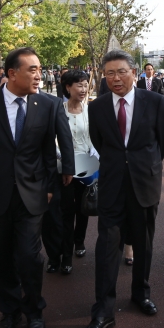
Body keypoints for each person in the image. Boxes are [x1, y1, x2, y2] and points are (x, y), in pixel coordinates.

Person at [0, 47, 74, 328]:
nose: (39, 74)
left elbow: (57, 144)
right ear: (11, 73)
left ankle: (35, 312)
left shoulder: (48, 104)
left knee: (29, 256)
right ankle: (9, 312)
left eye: (40, 69)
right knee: (1, 257)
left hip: (34, 191)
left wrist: (56, 181)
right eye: (32, 69)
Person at [82, 50, 164, 328]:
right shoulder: (97, 108)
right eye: (109, 73)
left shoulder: (155, 101)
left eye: (121, 72)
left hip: (144, 183)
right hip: (111, 185)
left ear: (134, 72)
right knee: (108, 246)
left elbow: (162, 139)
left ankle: (140, 293)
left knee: (144, 243)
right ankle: (103, 310)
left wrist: (144, 166)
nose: (115, 78)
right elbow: (101, 142)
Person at [57, 70, 97, 270]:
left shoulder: (90, 110)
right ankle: (65, 255)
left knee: (84, 207)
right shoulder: (59, 110)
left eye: (85, 85)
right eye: (78, 85)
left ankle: (79, 241)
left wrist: (93, 154)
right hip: (64, 167)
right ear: (68, 87)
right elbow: (53, 140)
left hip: (87, 167)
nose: (83, 89)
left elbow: (94, 137)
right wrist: (63, 158)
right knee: (66, 211)